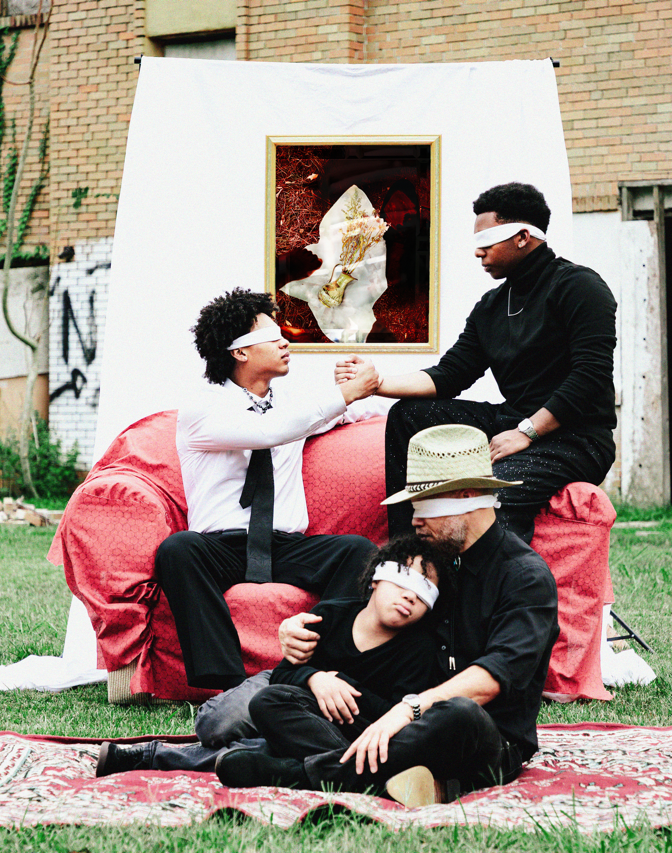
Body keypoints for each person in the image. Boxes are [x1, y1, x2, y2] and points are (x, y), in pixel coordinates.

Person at [218, 424, 559, 807]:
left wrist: (408, 708)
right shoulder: (440, 566)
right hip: (397, 721)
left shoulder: (525, 578)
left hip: (478, 738)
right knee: (274, 700)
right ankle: (392, 777)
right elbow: (368, 614)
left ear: (466, 496)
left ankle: (304, 774)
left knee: (459, 714)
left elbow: (492, 679)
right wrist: (298, 628)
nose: (414, 521)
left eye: (426, 506)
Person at [336, 182, 617, 541]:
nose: (478, 252)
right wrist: (377, 384)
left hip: (577, 436)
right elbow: (451, 374)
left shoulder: (579, 286)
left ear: (522, 236)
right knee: (410, 415)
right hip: (514, 418)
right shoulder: (492, 306)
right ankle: (407, 552)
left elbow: (589, 377)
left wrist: (526, 433)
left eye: (488, 241)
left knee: (492, 494)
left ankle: (506, 589)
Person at [154, 288, 382, 692]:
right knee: (177, 549)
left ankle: (320, 666)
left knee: (358, 552)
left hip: (285, 545)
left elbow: (356, 410)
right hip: (219, 548)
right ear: (240, 353)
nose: (284, 342)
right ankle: (226, 685)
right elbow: (268, 431)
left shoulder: (294, 403)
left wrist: (365, 383)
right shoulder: (203, 408)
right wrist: (338, 396)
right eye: (271, 336)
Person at [214, 536, 454, 799]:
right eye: (403, 579)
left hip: (371, 737)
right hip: (314, 728)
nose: (410, 595)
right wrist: (316, 679)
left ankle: (306, 773)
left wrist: (344, 686)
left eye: (424, 593)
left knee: (259, 748)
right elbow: (283, 674)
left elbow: (400, 717)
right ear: (375, 578)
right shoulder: (329, 616)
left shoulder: (419, 649)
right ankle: (368, 780)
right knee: (267, 702)